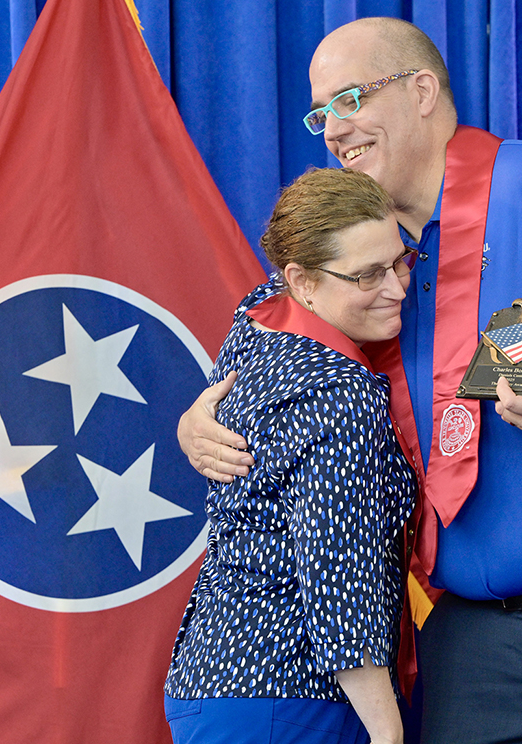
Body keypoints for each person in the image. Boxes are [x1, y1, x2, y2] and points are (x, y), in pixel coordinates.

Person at [181, 18, 522, 744]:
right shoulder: (366, 257)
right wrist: (198, 414)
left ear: (421, 91)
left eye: (350, 100)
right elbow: (274, 324)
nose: (333, 130)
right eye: (322, 114)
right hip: (469, 639)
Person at [164, 167, 418, 744]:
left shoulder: (259, 319)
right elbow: (339, 582)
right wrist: (388, 733)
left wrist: (191, 422)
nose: (397, 288)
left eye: (400, 260)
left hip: (215, 680)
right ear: (302, 280)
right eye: (367, 275)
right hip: (293, 698)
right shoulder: (337, 391)